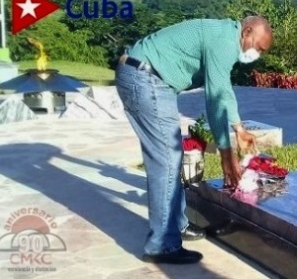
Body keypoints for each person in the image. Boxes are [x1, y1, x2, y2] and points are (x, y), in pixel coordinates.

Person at [115, 15, 274, 264]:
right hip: (147, 79)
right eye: (259, 47)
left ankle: (177, 226)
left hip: (148, 78)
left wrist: (239, 129)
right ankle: (161, 245)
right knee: (166, 162)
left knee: (171, 159)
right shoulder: (224, 40)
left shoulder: (224, 36)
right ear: (248, 31)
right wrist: (225, 152)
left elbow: (223, 89)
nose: (257, 53)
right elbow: (216, 100)